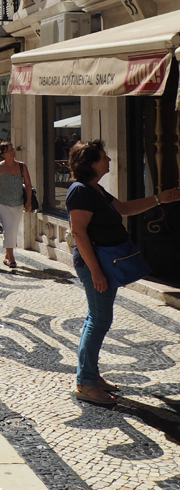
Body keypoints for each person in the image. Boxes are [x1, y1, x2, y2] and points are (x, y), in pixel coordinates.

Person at [65, 140, 180, 405]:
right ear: (91, 163)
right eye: (104, 157)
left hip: (104, 263)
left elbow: (125, 209)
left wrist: (159, 199)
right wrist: (96, 272)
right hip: (94, 264)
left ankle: (91, 375)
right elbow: (78, 232)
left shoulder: (95, 189)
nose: (109, 161)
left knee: (96, 318)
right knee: (99, 319)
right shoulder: (79, 191)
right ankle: (85, 383)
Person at [0, 141, 33, 269]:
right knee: (9, 228)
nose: (13, 152)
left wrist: (28, 201)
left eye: (13, 149)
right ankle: (12, 258)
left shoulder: (21, 166)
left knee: (14, 230)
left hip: (18, 203)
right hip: (3, 203)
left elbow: (28, 185)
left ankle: (7, 254)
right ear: (3, 154)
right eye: (9, 150)